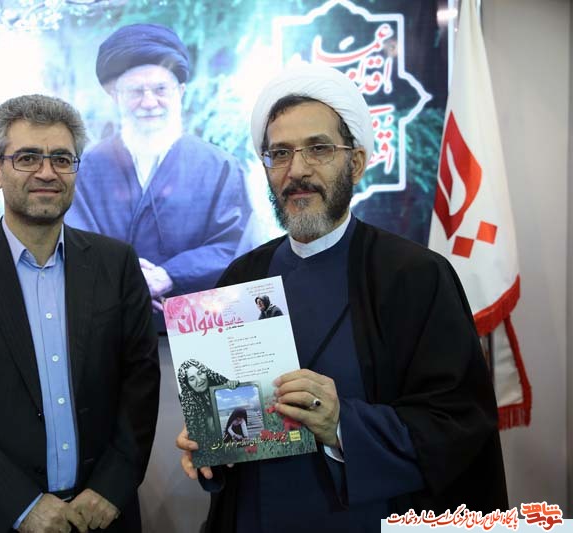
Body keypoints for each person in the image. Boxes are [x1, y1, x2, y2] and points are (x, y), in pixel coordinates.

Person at [176, 63, 507, 532]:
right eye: (280, 153)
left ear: (355, 163)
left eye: (319, 149)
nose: (297, 170)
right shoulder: (241, 277)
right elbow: (235, 423)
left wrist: (341, 425)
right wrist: (212, 443)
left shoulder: (415, 276)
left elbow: (458, 424)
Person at [0, 94, 160, 533]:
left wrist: (111, 487)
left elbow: (140, 382)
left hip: (100, 514)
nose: (47, 172)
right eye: (27, 158)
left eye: (61, 159)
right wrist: (22, 505)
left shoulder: (117, 263)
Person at [65, 23, 254, 314]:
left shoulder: (220, 167)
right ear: (115, 95)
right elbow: (73, 244)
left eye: (160, 89)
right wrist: (127, 279)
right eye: (135, 91)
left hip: (195, 323)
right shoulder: (87, 169)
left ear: (181, 91)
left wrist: (168, 275)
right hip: (110, 322)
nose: (149, 102)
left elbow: (235, 245)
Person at [177, 359, 237, 444]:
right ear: (187, 384)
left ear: (206, 372)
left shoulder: (224, 388)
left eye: (200, 373)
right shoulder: (189, 406)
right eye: (192, 379)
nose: (199, 380)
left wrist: (235, 386)